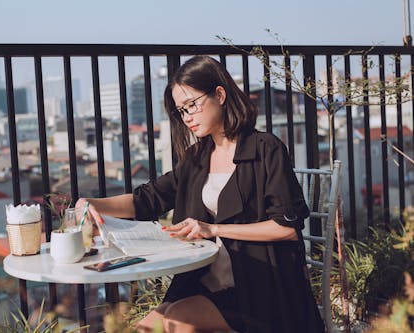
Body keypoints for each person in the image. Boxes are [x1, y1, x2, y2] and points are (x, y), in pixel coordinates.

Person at [75, 55, 325, 333]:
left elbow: (286, 228)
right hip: (206, 284)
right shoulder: (196, 158)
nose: (187, 117)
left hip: (262, 288)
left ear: (219, 94)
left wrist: (212, 228)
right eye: (181, 111)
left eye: (191, 105)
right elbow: (146, 199)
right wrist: (91, 203)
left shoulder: (266, 149)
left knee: (177, 320)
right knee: (142, 328)